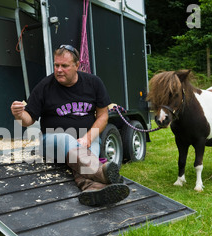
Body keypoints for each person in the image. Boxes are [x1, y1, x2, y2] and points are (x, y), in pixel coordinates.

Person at [11, 44, 129, 206]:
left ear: (77, 65)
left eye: (64, 66)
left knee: (84, 158)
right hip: (52, 141)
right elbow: (28, 120)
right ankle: (102, 173)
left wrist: (88, 138)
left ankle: (93, 188)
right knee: (67, 140)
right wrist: (18, 114)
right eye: (56, 65)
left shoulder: (94, 83)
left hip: (86, 138)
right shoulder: (45, 86)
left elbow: (102, 116)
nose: (59, 70)